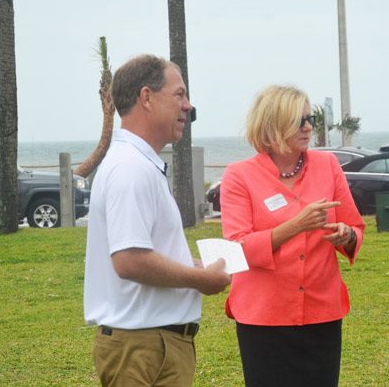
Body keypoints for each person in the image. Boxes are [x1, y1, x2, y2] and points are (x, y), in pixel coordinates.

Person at [83, 54, 231, 387]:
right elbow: (130, 260)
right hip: (145, 348)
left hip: (152, 344)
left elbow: (141, 250)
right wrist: (198, 279)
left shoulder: (136, 164)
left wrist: (191, 265)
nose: (188, 106)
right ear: (146, 97)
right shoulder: (130, 169)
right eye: (179, 94)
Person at [219, 85, 365, 387]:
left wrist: (346, 235)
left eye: (309, 118)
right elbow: (236, 247)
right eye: (300, 121)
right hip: (263, 318)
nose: (309, 126)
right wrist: (294, 226)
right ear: (274, 125)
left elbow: (355, 227)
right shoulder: (238, 175)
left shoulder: (327, 166)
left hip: (321, 313)